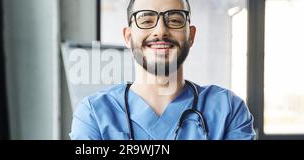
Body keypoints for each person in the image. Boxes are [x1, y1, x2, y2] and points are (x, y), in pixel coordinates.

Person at [69, 0, 256, 140]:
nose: (160, 31)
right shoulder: (94, 114)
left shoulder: (227, 109)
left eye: (174, 20)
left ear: (191, 36)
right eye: (146, 20)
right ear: (128, 37)